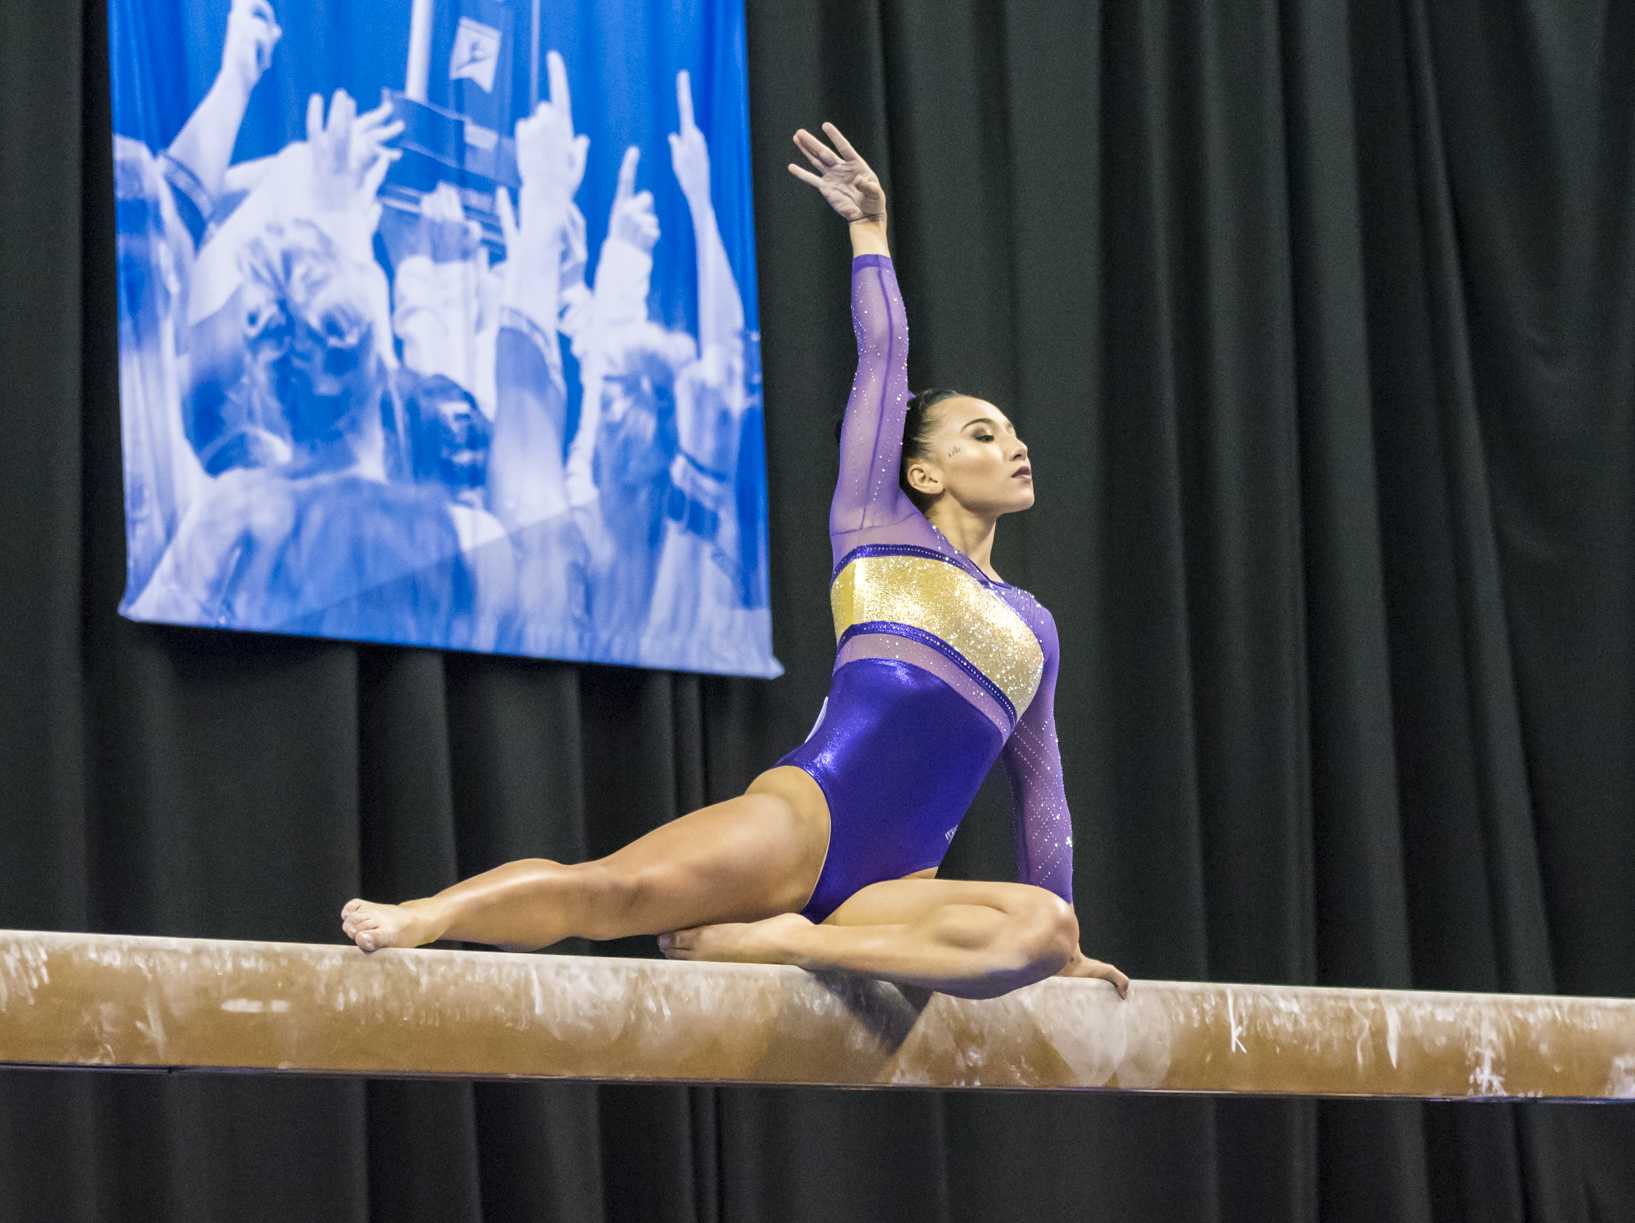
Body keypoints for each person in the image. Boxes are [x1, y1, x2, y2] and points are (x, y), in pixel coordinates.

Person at [340, 123, 1128, 1001]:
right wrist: (870, 232)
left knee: (1037, 933)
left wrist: (1067, 943)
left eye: (1014, 434)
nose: (1013, 446)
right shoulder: (877, 527)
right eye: (982, 433)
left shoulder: (1033, 627)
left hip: (894, 894)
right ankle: (428, 915)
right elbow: (884, 359)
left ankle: (791, 943)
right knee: (612, 891)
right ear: (921, 470)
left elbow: (1041, 794)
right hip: (803, 823)